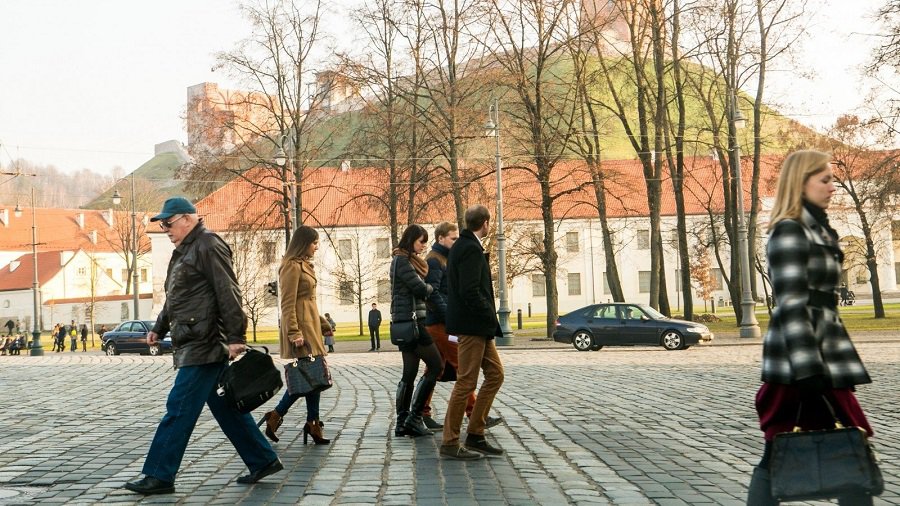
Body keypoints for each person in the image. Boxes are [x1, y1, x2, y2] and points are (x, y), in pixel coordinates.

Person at [125, 197, 281, 495]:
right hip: (195, 340)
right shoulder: (184, 251)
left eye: (168, 223)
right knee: (226, 408)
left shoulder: (208, 245)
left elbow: (228, 291)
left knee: (178, 408)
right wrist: (158, 328)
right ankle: (262, 459)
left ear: (187, 218)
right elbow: (176, 297)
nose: (165, 229)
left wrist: (236, 337)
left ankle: (160, 474)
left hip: (205, 343)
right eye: (162, 224)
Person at [746, 151, 874, 506]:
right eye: (825, 180)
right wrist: (808, 370)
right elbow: (790, 305)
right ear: (800, 183)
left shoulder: (815, 227)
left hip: (825, 352)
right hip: (799, 361)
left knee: (850, 441)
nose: (834, 187)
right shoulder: (790, 230)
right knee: (780, 449)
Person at [422, 221, 499, 432]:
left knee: (435, 369)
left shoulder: (445, 258)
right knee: (462, 368)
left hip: (440, 322)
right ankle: (473, 413)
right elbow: (433, 293)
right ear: (440, 239)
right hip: (440, 324)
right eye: (452, 238)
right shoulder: (435, 260)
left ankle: (422, 411)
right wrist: (450, 316)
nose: (456, 242)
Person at [441, 205, 505, 460]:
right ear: (486, 223)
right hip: (473, 326)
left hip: (477, 325)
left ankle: (476, 433)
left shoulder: (465, 246)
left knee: (495, 374)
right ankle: (450, 441)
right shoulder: (469, 249)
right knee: (466, 382)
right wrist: (489, 314)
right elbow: (470, 291)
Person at [257, 225, 331, 446]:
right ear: (303, 243)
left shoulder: (304, 265)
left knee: (313, 378)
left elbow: (309, 301)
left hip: (311, 328)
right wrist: (293, 333)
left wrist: (323, 324)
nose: (316, 247)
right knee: (307, 376)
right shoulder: (290, 267)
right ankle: (278, 415)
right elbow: (287, 303)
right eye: (314, 243)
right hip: (301, 331)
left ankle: (312, 423)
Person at [390, 224, 443, 438]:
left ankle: (403, 422)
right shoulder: (402, 262)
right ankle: (414, 418)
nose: (423, 246)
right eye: (421, 241)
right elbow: (421, 289)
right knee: (436, 364)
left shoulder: (404, 261)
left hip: (406, 322)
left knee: (409, 373)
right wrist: (431, 288)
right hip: (413, 323)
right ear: (411, 240)